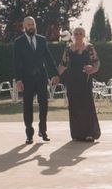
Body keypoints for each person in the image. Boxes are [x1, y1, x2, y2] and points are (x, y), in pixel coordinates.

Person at [13, 16, 59, 144]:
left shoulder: (42, 40)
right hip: (26, 79)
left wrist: (55, 74)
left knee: (44, 104)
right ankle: (29, 134)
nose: (31, 26)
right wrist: (18, 80)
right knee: (27, 106)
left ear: (35, 25)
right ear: (24, 27)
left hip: (41, 78)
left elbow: (49, 58)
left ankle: (43, 131)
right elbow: (16, 63)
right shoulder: (19, 42)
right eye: (28, 24)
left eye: (32, 24)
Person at [57, 27, 101, 142]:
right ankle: (77, 134)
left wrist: (92, 69)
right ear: (73, 35)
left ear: (84, 35)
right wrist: (56, 76)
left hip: (85, 80)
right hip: (72, 81)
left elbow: (96, 62)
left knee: (87, 106)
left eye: (81, 33)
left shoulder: (89, 47)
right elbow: (63, 64)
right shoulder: (68, 49)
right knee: (74, 106)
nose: (78, 35)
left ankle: (90, 133)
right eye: (76, 33)